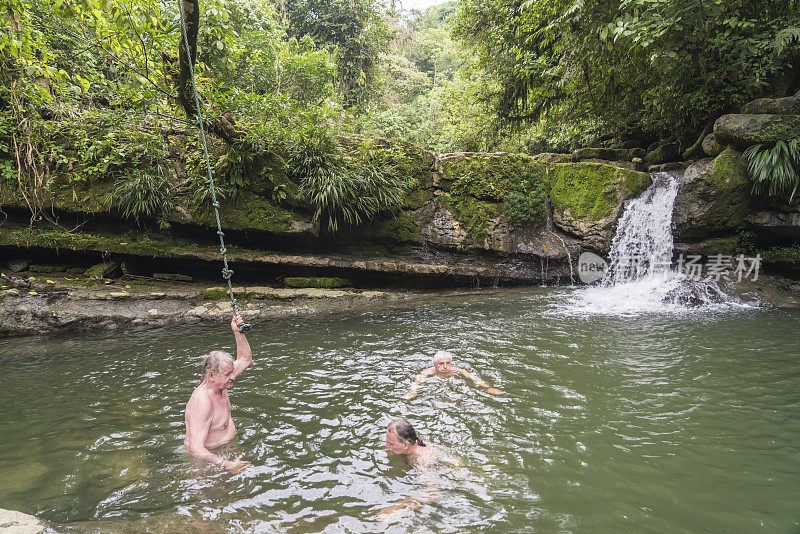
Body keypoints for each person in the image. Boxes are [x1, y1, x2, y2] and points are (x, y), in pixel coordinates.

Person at [184, 314, 253, 472]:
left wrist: (238, 332)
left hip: (225, 453)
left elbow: (245, 358)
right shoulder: (202, 401)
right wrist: (227, 465)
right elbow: (196, 449)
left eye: (232, 372)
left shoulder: (221, 384)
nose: (233, 376)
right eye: (228, 374)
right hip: (207, 464)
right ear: (211, 376)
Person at [403, 350, 504, 400]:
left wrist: (488, 388)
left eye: (448, 363)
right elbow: (417, 380)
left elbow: (473, 378)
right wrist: (413, 392)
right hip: (436, 386)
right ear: (435, 365)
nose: (446, 366)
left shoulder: (457, 371)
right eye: (441, 364)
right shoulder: (428, 372)